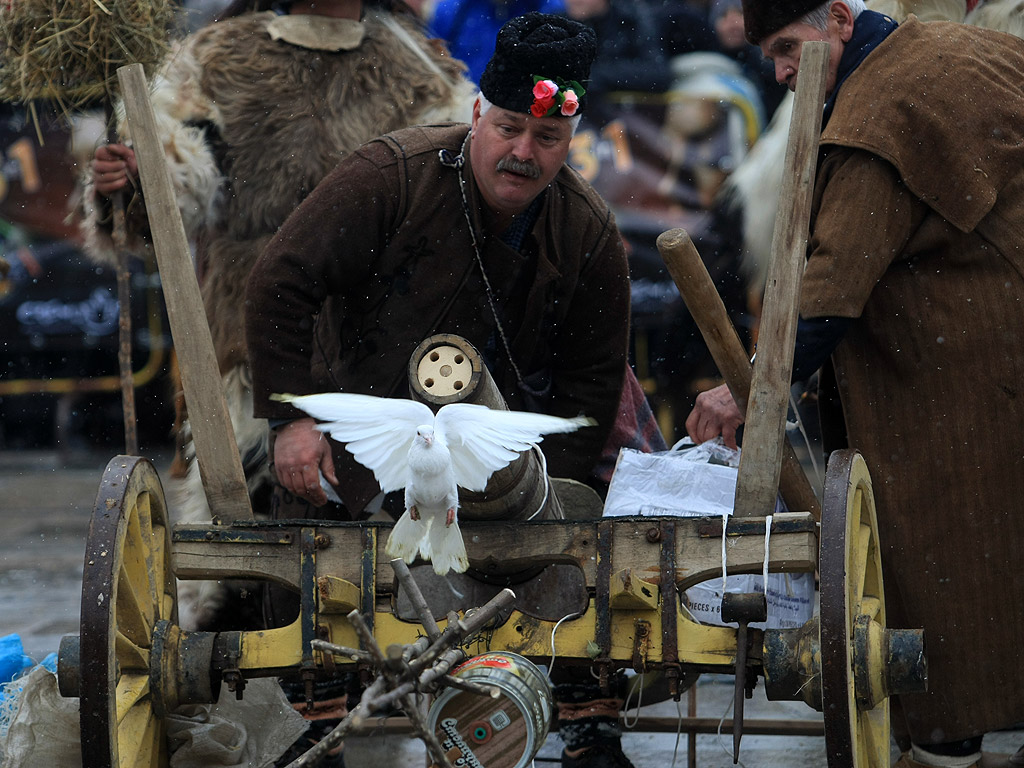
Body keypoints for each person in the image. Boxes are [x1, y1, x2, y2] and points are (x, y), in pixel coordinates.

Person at [246, 13, 660, 767]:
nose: (522, 153)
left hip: (508, 461)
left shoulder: (589, 231)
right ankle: (319, 715)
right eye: (508, 128)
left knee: (588, 525)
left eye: (547, 140)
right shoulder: (388, 178)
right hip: (363, 443)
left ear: (572, 143)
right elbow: (281, 282)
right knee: (308, 539)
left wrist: (540, 507)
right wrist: (290, 424)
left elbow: (593, 381)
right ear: (478, 114)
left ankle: (587, 712)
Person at [685, 0, 1024, 766]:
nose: (776, 73)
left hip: (962, 375)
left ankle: (947, 741)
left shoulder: (877, 112)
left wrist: (745, 389)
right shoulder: (947, 48)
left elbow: (831, 285)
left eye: (785, 48)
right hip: (994, 341)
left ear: (839, 19)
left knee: (947, 565)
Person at [81, 0, 475, 629]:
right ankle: (246, 632)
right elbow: (175, 185)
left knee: (377, 508)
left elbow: (463, 174)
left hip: (376, 335)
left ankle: (373, 630)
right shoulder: (215, 58)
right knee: (243, 513)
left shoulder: (415, 63)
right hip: (248, 334)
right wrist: (131, 181)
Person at [429, 0, 567, 83]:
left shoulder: (553, 12)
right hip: (460, 109)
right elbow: (432, 69)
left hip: (522, 115)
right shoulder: (451, 10)